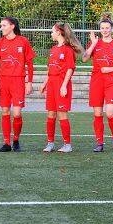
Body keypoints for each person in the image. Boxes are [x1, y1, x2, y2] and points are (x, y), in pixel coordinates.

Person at [82, 14, 113, 152]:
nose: (104, 30)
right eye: (102, 28)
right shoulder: (95, 43)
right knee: (98, 114)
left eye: (107, 28)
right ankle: (99, 143)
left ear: (112, 28)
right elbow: (84, 59)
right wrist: (93, 44)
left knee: (109, 113)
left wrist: (110, 69)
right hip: (96, 81)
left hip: (111, 81)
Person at [0, 17, 35, 152]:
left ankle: (16, 139)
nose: (1, 28)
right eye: (1, 26)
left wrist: (29, 82)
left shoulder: (23, 41)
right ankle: (6, 143)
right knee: (5, 111)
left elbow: (30, 64)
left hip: (18, 81)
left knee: (16, 113)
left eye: (4, 25)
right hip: (3, 81)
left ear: (12, 26)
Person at [40, 22, 84, 153]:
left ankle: (67, 145)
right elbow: (50, 69)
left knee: (62, 114)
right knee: (51, 113)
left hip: (61, 84)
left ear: (59, 32)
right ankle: (50, 143)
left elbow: (70, 69)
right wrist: (44, 83)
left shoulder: (68, 50)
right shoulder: (53, 49)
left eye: (52, 31)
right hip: (52, 84)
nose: (51, 34)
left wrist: (64, 85)